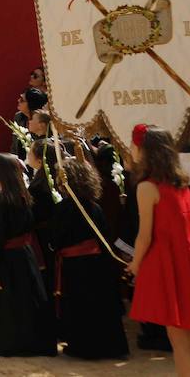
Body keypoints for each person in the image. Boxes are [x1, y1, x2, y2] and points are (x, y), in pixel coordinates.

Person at [128, 124, 190, 376]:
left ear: (144, 150)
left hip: (167, 262)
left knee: (179, 338)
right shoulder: (182, 183)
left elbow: (145, 236)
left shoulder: (147, 187)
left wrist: (135, 264)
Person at [51, 154, 128, 360]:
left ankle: (84, 347)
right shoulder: (95, 206)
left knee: (82, 308)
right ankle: (113, 347)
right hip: (99, 264)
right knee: (103, 307)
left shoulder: (64, 208)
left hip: (77, 266)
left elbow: (56, 238)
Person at [0, 152, 56, 357]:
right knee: (28, 298)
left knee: (11, 300)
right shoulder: (23, 196)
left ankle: (11, 342)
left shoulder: (2, 202)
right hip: (26, 254)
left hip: (9, 259)